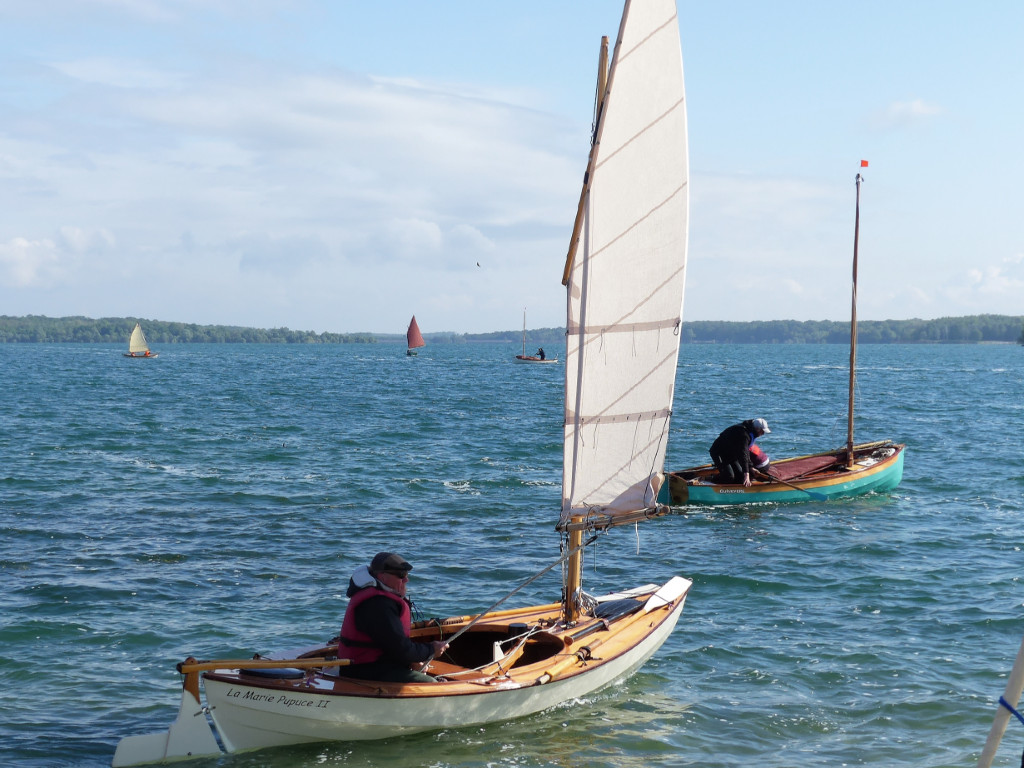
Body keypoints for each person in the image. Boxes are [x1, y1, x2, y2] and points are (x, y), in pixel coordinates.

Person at [337, 552, 448, 683]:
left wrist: (412, 661)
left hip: (377, 664)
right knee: (431, 685)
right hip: (363, 671)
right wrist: (431, 650)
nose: (406, 580)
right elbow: (402, 648)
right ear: (382, 577)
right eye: (401, 576)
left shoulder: (379, 598)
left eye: (406, 575)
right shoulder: (378, 605)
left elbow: (390, 644)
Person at [708, 418, 771, 486]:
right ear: (757, 429)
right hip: (718, 453)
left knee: (741, 477)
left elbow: (746, 454)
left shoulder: (751, 431)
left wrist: (750, 467)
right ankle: (711, 480)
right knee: (729, 477)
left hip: (731, 454)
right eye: (762, 431)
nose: (763, 434)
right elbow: (743, 454)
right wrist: (747, 474)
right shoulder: (743, 435)